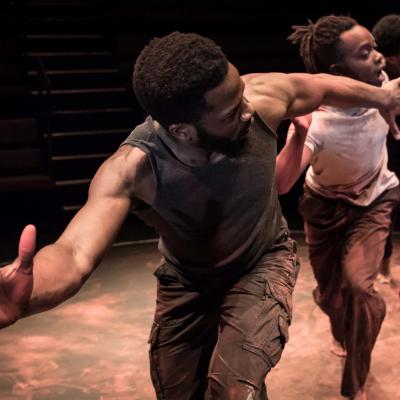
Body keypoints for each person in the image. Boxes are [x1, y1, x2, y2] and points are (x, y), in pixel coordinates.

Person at [2, 31, 400, 400]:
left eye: (241, 95)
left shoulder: (263, 98)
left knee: (232, 387)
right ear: (181, 131)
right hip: (187, 282)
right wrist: (24, 296)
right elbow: (73, 254)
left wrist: (383, 98)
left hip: (262, 262)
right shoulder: (134, 168)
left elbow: (324, 87)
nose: (247, 110)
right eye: (230, 111)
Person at [280, 15, 400, 400]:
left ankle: (355, 385)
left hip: (374, 200)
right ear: (336, 72)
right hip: (324, 208)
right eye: (366, 54)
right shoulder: (317, 121)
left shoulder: (385, 87)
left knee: (358, 289)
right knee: (333, 297)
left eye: (375, 48)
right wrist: (296, 135)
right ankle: (335, 314)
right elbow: (283, 183)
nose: (379, 59)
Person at [372, 14, 400, 284]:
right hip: (382, 152)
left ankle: (385, 269)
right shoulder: (374, 76)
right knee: (383, 209)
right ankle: (383, 268)